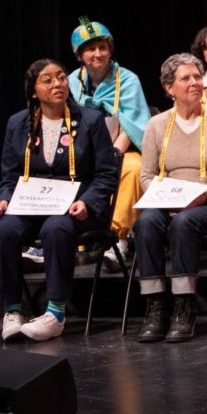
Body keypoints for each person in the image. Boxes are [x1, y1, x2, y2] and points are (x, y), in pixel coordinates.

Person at [0, 59, 118, 341]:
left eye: (61, 77)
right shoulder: (18, 124)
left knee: (56, 228)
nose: (58, 83)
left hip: (77, 207)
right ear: (34, 90)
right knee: (3, 230)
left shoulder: (90, 120)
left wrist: (88, 202)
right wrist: (3, 201)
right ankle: (12, 309)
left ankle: (56, 312)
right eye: (47, 80)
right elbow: (9, 176)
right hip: (32, 205)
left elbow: (106, 174)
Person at [133, 54, 207, 342]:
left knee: (184, 223)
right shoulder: (157, 125)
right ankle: (156, 305)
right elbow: (146, 176)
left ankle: (184, 307)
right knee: (146, 221)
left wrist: (205, 196)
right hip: (168, 202)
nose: (195, 82)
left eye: (197, 77)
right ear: (168, 87)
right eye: (186, 78)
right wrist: (164, 198)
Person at [68, 17, 151, 263]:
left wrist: (112, 154)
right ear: (79, 55)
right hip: (84, 151)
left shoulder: (128, 80)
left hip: (120, 147)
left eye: (103, 47)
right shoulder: (71, 82)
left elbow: (135, 123)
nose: (98, 53)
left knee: (133, 168)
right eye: (91, 49)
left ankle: (117, 239)